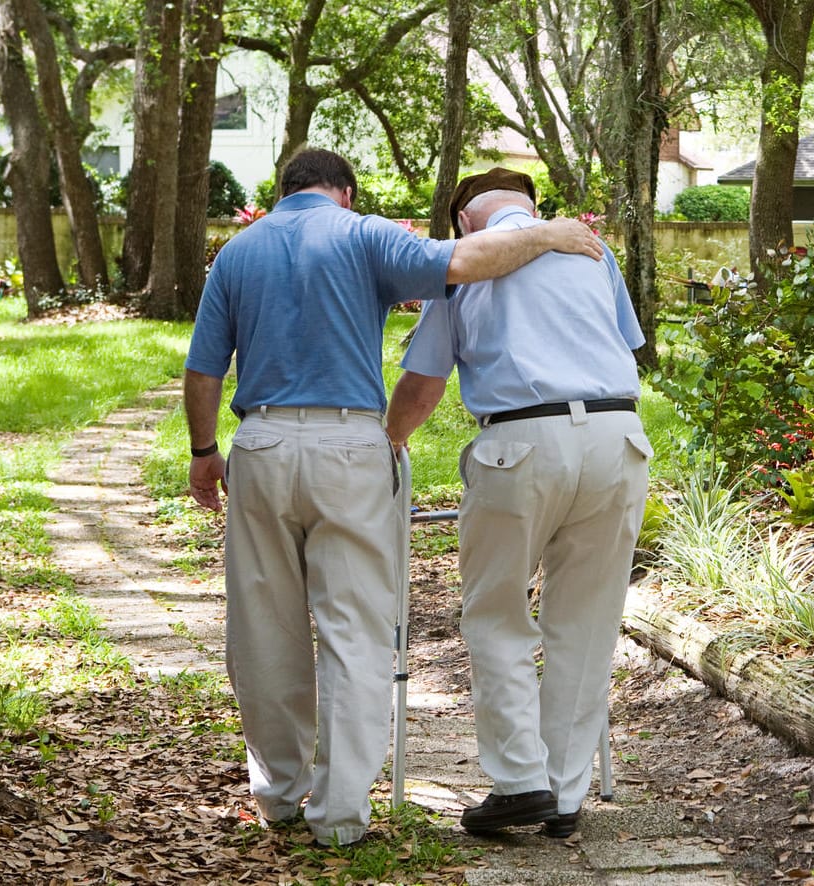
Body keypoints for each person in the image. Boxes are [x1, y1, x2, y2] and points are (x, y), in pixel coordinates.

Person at [182, 149, 604, 848]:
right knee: (354, 629)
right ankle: (342, 815)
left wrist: (204, 453)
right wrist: (549, 234)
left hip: (257, 444)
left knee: (262, 627)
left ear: (282, 191)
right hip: (348, 444)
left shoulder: (237, 252)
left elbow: (203, 368)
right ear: (343, 191)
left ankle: (278, 795)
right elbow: (463, 262)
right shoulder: (363, 232)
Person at [385, 168, 651, 839]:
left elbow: (423, 386)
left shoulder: (465, 264)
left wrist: (385, 445)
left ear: (464, 222)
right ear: (531, 207)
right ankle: (564, 795)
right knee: (586, 623)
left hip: (521, 441)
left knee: (497, 613)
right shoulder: (592, 249)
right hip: (619, 435)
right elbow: (626, 345)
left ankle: (519, 782)